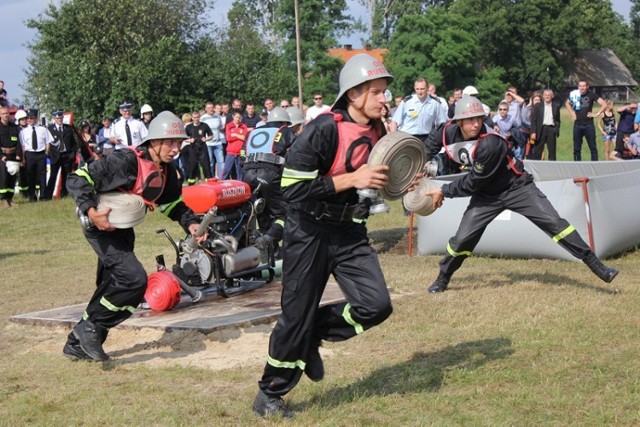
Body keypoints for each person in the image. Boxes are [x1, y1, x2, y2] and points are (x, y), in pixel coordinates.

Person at [253, 53, 393, 418]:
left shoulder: (380, 130)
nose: (384, 99)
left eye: (384, 92)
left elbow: (388, 179)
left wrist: (422, 188)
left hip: (349, 230)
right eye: (377, 92)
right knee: (294, 317)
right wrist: (353, 179)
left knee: (376, 305)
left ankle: (313, 332)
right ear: (353, 94)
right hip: (308, 230)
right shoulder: (323, 129)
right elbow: (292, 189)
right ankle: (270, 394)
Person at [422, 95, 619, 294]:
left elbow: (473, 182)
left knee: (555, 223)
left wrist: (443, 190)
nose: (476, 124)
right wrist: (418, 166)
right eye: (470, 120)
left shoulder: (491, 143)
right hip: (487, 195)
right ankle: (443, 277)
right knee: (463, 239)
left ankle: (596, 264)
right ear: (458, 121)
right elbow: (429, 145)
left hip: (516, 188)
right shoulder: (446, 131)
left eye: (479, 118)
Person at [64, 111, 206, 362]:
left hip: (123, 228)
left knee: (113, 285)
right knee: (134, 281)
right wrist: (91, 210)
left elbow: (173, 205)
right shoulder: (125, 161)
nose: (176, 149)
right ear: (153, 141)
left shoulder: (167, 172)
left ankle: (76, 342)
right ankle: (88, 329)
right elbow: (78, 178)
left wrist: (192, 223)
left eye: (179, 143)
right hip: (99, 226)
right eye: (171, 143)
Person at [242, 106, 296, 256]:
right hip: (270, 174)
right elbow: (297, 154)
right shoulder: (285, 131)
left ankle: (269, 250)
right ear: (284, 122)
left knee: (261, 212)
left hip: (248, 174)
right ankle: (270, 239)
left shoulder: (252, 132)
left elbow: (241, 154)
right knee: (284, 214)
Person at [391, 77, 447, 144]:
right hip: (407, 137)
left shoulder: (435, 103)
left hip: (426, 138)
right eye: (417, 89)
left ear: (427, 88)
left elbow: (443, 123)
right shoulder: (407, 102)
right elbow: (394, 121)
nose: (419, 92)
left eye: (422, 89)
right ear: (414, 88)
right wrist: (394, 140)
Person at [565, 80, 606, 161]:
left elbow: (604, 104)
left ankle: (594, 167)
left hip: (589, 125)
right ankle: (578, 167)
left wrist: (596, 114)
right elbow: (567, 103)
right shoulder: (574, 94)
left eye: (584, 86)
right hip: (577, 125)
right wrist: (572, 113)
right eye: (580, 86)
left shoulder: (591, 94)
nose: (582, 88)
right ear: (578, 87)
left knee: (593, 148)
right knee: (576, 148)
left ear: (587, 87)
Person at [19, 109, 53, 202]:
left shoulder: (43, 129)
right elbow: (23, 146)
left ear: (36, 118)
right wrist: (23, 158)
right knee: (30, 176)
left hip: (41, 154)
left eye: (32, 118)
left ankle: (43, 196)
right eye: (28, 118)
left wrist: (46, 153)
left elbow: (48, 142)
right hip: (30, 154)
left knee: (42, 176)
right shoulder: (23, 131)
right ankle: (32, 196)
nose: (29, 120)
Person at [45, 109, 78, 200]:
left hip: (67, 155)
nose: (59, 119)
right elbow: (48, 143)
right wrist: (50, 154)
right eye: (57, 118)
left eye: (61, 118)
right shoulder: (49, 129)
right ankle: (48, 195)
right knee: (53, 176)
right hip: (55, 156)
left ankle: (65, 193)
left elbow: (73, 143)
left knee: (66, 175)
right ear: (54, 119)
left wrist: (73, 154)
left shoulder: (68, 128)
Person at [0, 106, 23, 207]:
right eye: (4, 113)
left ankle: (10, 198)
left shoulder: (14, 127)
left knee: (12, 177)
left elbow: (18, 143)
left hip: (13, 155)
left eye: (7, 113)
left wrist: (18, 155)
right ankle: (4, 199)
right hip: (3, 156)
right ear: (0, 115)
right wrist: (1, 156)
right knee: (4, 177)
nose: (6, 115)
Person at [529, 89, 561, 160]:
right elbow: (534, 120)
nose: (547, 97)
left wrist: (556, 129)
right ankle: (536, 168)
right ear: (543, 96)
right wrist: (533, 132)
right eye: (545, 95)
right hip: (541, 129)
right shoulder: (538, 106)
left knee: (552, 151)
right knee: (538, 150)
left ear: (552, 96)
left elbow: (558, 120)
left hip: (551, 129)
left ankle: (552, 167)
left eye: (548, 95)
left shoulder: (556, 106)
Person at [183, 110, 213, 184]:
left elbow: (211, 135)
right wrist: (190, 140)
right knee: (193, 167)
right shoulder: (189, 127)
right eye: (194, 117)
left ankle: (209, 184)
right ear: (192, 118)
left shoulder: (204, 125)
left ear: (199, 117)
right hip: (193, 148)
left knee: (206, 167)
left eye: (197, 117)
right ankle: (191, 184)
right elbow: (183, 138)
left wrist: (206, 139)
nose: (196, 119)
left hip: (202, 148)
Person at [200, 102, 224, 178]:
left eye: (212, 107)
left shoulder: (217, 116)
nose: (211, 109)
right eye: (209, 108)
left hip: (218, 143)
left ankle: (222, 178)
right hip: (208, 144)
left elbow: (220, 127)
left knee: (221, 162)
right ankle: (211, 178)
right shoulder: (203, 118)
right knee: (210, 163)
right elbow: (200, 130)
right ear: (206, 109)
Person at [222, 111, 247, 180]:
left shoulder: (243, 126)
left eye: (239, 117)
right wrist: (240, 136)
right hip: (231, 152)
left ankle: (240, 185)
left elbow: (245, 138)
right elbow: (228, 138)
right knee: (227, 170)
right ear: (233, 117)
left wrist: (235, 135)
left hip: (241, 152)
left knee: (240, 171)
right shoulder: (229, 126)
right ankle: (223, 183)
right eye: (236, 117)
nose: (237, 119)